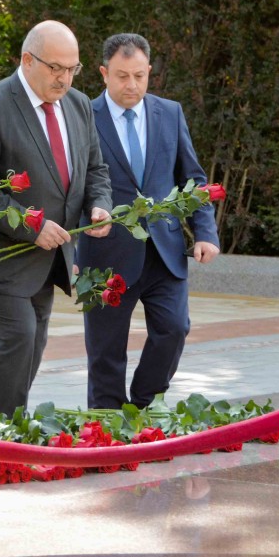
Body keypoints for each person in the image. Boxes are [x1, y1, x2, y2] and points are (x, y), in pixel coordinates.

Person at [0, 20, 114, 423]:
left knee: (34, 342)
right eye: (55, 67)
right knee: (18, 336)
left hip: (46, 255)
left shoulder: (79, 105)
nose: (64, 78)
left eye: (72, 68)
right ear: (27, 60)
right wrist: (31, 227)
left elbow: (96, 170)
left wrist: (100, 205)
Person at [76, 33, 220, 409]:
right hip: (105, 254)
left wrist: (205, 232)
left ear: (149, 71)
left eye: (140, 76)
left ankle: (142, 405)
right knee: (106, 350)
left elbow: (193, 181)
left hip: (165, 251)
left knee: (174, 329)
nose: (132, 85)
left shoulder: (169, 113)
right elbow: (69, 183)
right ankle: (105, 426)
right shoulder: (81, 117)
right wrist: (79, 227)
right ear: (104, 73)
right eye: (123, 76)